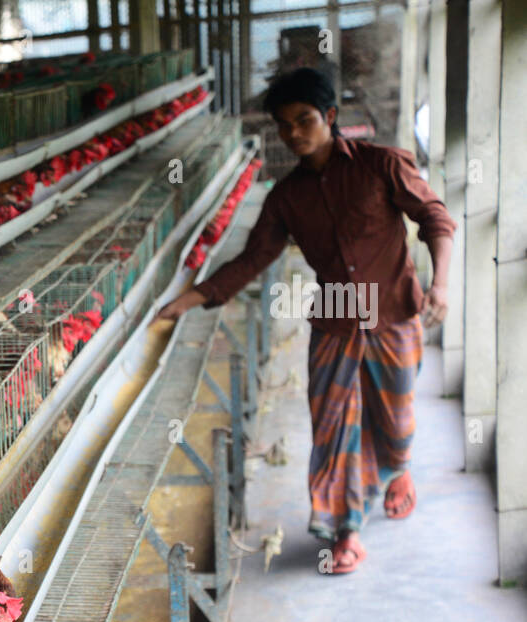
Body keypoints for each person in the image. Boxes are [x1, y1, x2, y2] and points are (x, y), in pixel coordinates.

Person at [152, 68, 456, 574]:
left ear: (330, 117)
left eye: (304, 120)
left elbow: (436, 219)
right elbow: (252, 259)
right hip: (335, 320)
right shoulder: (286, 197)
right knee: (333, 426)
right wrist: (190, 299)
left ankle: (399, 468)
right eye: (284, 125)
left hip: (394, 313)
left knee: (397, 423)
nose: (294, 133)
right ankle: (346, 532)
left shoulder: (383, 165)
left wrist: (441, 283)